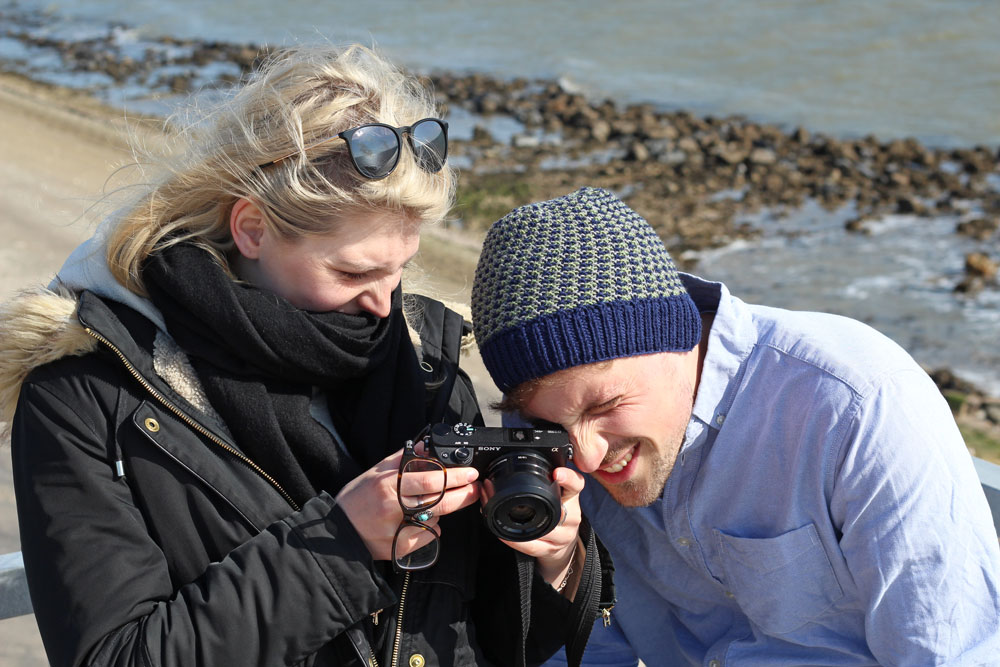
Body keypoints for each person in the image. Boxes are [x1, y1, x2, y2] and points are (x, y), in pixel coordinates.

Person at [0, 46, 610, 667]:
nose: (383, 306)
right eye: (352, 272)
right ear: (253, 229)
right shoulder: (86, 392)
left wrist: (555, 560)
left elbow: (498, 642)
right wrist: (339, 542)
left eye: (400, 270)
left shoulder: (424, 361)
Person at [469, 186, 1000, 665]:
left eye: (604, 406)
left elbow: (952, 654)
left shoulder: (855, 407)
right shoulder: (546, 442)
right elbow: (586, 654)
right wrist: (560, 566)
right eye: (551, 424)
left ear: (677, 336)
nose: (583, 457)